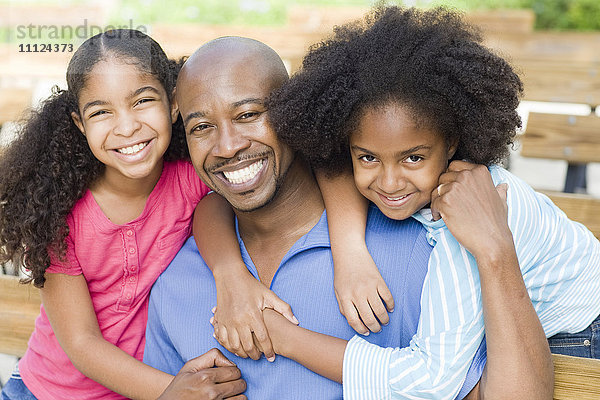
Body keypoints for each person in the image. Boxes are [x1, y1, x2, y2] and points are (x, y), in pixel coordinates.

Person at [143, 36, 554, 400]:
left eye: (249, 114)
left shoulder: (419, 253)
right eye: (202, 128)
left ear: (294, 113)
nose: (228, 146)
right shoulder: (176, 283)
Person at [255, 4, 600, 399]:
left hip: (582, 335)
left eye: (413, 158)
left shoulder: (465, 212)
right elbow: (328, 166)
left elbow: (431, 381)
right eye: (367, 157)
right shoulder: (397, 174)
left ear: (452, 144)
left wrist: (286, 338)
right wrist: (349, 253)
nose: (388, 182)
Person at [0, 29, 251, 400]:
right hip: (45, 391)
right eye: (102, 112)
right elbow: (82, 344)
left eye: (142, 101)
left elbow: (220, 205)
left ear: (173, 105)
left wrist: (231, 274)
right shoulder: (59, 215)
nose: (127, 126)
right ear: (80, 124)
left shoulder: (190, 178)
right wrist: (176, 392)